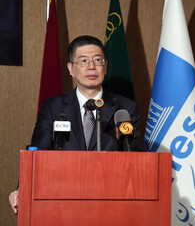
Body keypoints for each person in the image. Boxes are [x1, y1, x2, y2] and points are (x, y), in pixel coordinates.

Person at [9, 35, 146, 214]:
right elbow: (37, 153)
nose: (91, 66)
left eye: (97, 60)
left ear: (105, 67)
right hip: (62, 201)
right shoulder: (53, 108)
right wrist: (23, 189)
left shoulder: (125, 108)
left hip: (112, 202)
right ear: (71, 69)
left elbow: (136, 156)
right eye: (83, 61)